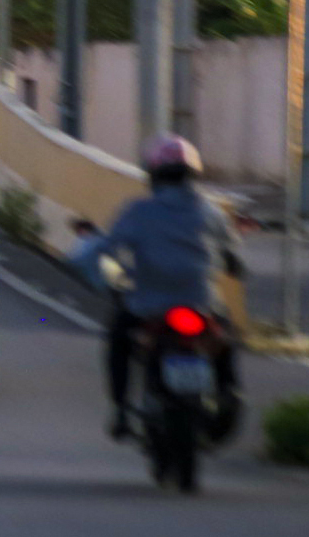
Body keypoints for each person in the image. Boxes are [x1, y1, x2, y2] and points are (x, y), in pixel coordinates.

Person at [69, 134, 244, 439]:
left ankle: (122, 409)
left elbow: (104, 248)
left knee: (119, 341)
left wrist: (99, 279)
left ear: (154, 176)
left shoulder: (138, 211)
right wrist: (232, 265)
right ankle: (229, 396)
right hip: (202, 303)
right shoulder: (211, 212)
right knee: (225, 342)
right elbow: (233, 256)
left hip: (147, 305)